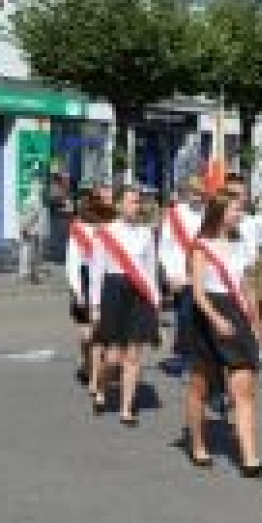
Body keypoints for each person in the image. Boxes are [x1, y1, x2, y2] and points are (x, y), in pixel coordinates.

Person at [185, 190, 262, 478]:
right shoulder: (202, 246)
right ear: (219, 212)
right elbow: (198, 293)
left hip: (237, 314)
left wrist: (256, 319)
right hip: (209, 314)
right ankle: (197, 443)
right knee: (200, 386)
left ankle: (250, 459)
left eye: (241, 210)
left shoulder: (241, 244)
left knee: (244, 389)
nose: (240, 215)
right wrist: (216, 318)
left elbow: (246, 284)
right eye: (235, 210)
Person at [91, 185, 161, 426]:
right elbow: (97, 270)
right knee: (112, 358)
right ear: (119, 205)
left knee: (133, 356)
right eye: (131, 202)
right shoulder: (106, 232)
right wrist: (95, 305)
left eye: (138, 202)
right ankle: (100, 388)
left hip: (139, 295)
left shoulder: (146, 233)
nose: (136, 206)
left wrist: (156, 301)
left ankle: (126, 409)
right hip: (113, 291)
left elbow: (151, 271)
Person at [157, 176, 206, 377]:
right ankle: (185, 358)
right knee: (186, 317)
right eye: (194, 192)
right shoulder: (175, 215)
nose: (197, 196)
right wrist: (170, 274)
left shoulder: (208, 213)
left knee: (202, 317)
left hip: (204, 273)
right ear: (187, 192)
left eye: (200, 192)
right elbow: (165, 246)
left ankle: (200, 358)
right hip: (182, 275)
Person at [66, 191, 101, 390]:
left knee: (100, 333)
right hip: (85, 281)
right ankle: (86, 362)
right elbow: (72, 263)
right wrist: (77, 290)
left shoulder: (108, 227)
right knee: (86, 334)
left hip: (104, 282)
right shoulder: (78, 229)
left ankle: (95, 374)